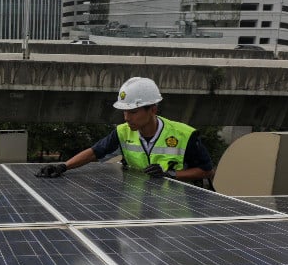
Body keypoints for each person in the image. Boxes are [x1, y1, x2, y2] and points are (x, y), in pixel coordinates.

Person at [36, 77, 215, 185]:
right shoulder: (123, 132)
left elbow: (207, 171)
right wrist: (64, 166)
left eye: (133, 112)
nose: (127, 118)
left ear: (153, 110)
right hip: (135, 212)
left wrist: (171, 174)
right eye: (124, 111)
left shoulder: (184, 135)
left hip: (173, 215)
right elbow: (94, 153)